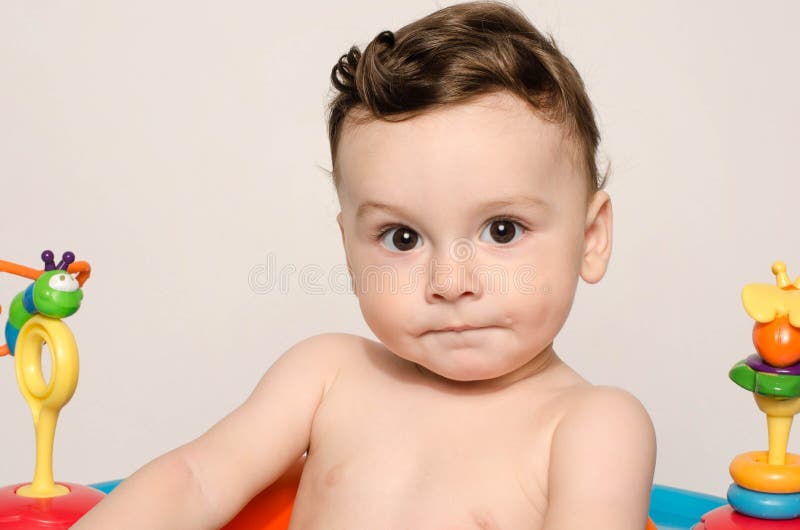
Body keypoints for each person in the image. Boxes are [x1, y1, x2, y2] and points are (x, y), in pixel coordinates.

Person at [73, 1, 656, 528]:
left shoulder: (592, 427)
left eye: (502, 230)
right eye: (402, 238)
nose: (450, 284)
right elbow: (194, 482)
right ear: (349, 250)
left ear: (590, 238)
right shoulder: (326, 376)